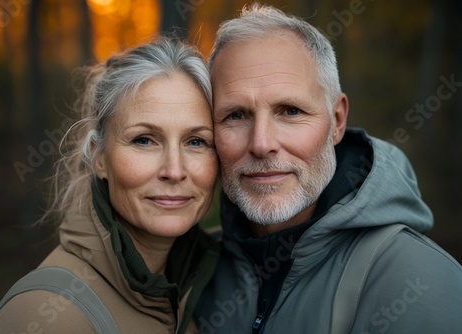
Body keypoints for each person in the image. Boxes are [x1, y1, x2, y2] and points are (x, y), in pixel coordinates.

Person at [195, 4, 462, 334]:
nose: (261, 143)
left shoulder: (420, 283)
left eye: (290, 111)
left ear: (337, 121)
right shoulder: (193, 272)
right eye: (236, 115)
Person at [0, 37, 219, 334]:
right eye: (144, 140)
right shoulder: (47, 316)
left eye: (196, 141)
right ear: (99, 157)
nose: (174, 170)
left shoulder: (203, 288)